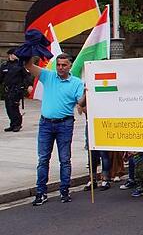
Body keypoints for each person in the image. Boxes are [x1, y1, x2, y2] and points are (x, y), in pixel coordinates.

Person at [25, 53, 85, 205]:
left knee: (65, 159)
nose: (60, 68)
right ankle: (41, 192)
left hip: (65, 124)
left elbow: (80, 103)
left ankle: (64, 191)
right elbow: (29, 67)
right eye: (58, 64)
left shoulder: (76, 82)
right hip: (46, 123)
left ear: (70, 66)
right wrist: (28, 52)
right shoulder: (48, 76)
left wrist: (86, 93)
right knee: (43, 159)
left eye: (64, 65)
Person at [2, 48, 32, 132]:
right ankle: (12, 124)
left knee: (14, 107)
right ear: (10, 55)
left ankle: (17, 124)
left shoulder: (20, 66)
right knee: (8, 108)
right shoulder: (4, 65)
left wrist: (29, 85)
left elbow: (27, 76)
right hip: (7, 90)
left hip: (16, 89)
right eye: (15, 54)